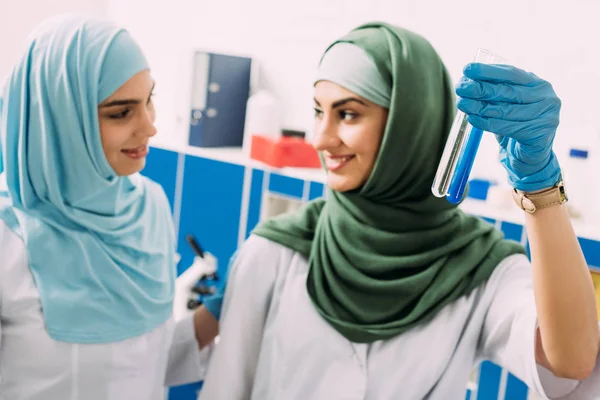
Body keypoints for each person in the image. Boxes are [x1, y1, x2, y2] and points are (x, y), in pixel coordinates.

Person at [198, 22, 600, 399]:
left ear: (410, 122)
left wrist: (539, 183)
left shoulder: (478, 267)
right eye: (319, 111)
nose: (321, 138)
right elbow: (225, 390)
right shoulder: (274, 251)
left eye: (348, 113)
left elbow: (572, 361)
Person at [0, 14, 222, 399]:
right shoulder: (8, 239)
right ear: (60, 119)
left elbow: (146, 359)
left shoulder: (150, 208)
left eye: (149, 99)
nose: (149, 125)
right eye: (121, 112)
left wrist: (226, 308)